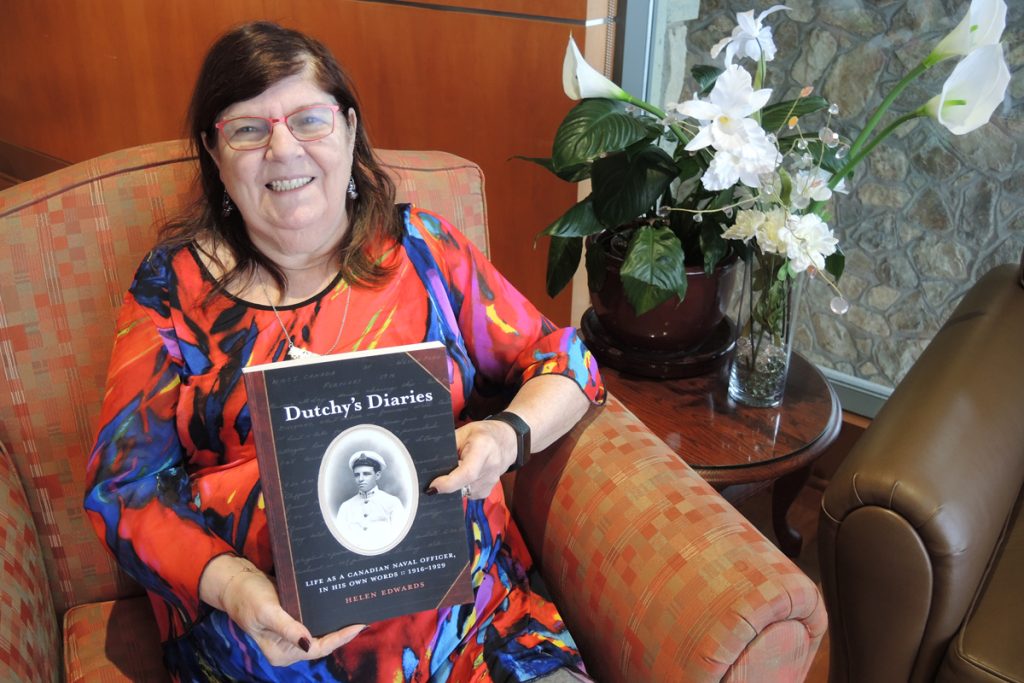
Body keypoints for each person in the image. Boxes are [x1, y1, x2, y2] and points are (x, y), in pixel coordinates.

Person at [84, 20, 605, 683]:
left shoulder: (425, 253)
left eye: (309, 119)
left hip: (476, 633)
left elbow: (567, 361)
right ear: (215, 156)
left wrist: (504, 437)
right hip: (271, 649)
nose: (282, 149)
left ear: (350, 130)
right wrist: (235, 585)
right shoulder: (172, 292)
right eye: (248, 129)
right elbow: (122, 489)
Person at [336, 451, 406, 549]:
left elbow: (400, 538)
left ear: (377, 475)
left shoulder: (393, 503)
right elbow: (340, 540)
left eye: (366, 474)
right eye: (357, 475)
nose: (360, 479)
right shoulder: (346, 507)